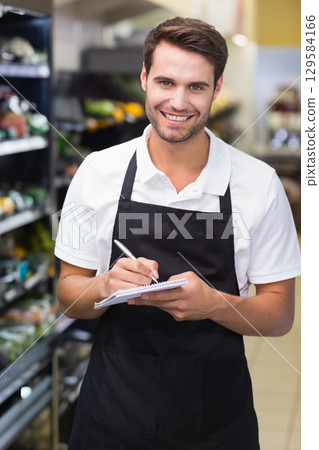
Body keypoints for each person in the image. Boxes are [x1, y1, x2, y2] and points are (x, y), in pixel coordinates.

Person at [55, 16, 301, 450]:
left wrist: (214, 304)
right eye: (166, 82)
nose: (178, 101)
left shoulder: (258, 185)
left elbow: (280, 315)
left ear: (217, 88)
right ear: (145, 78)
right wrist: (105, 284)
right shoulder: (98, 173)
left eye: (196, 87)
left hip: (215, 422)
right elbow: (67, 296)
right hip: (111, 417)